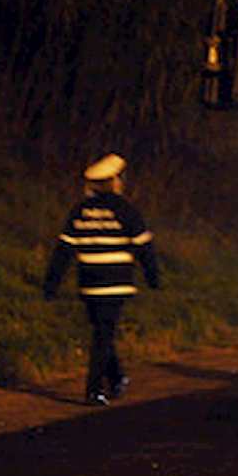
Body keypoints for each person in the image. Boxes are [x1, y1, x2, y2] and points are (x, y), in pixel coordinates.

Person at [43, 153, 160, 405]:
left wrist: (51, 284)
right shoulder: (126, 210)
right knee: (103, 335)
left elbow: (63, 251)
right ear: (115, 181)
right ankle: (94, 389)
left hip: (89, 283)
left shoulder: (80, 211)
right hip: (116, 283)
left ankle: (116, 378)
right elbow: (145, 248)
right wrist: (153, 278)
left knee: (101, 332)